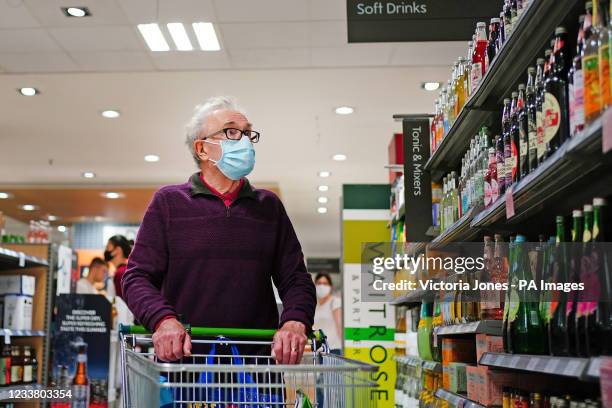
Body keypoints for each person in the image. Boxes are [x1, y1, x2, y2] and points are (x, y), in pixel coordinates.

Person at [122, 96, 316, 364]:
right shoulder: (169, 203)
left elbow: (296, 279)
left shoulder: (268, 207)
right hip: (185, 368)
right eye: (232, 131)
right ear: (202, 149)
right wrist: (163, 320)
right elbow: (137, 278)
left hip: (255, 369)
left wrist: (295, 321)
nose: (245, 140)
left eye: (248, 133)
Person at [313, 273, 342, 354]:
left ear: (330, 286)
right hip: (320, 350)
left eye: (325, 283)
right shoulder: (316, 305)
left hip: (334, 349)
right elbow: (317, 329)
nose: (322, 286)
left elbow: (340, 327)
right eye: (319, 283)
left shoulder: (335, 302)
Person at [104, 235, 132, 300]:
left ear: (118, 250)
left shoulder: (121, 273)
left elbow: (122, 302)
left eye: (108, 247)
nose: (106, 251)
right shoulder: (126, 270)